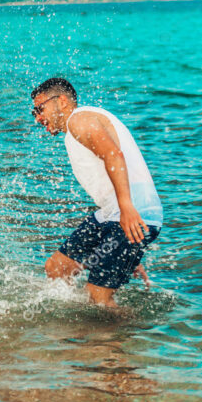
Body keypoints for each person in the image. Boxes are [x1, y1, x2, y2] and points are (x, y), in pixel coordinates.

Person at [31, 78, 163, 307]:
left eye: (40, 109)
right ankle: (74, 327)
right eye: (34, 112)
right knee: (57, 268)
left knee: (97, 297)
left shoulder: (79, 121)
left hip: (133, 214)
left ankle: (128, 336)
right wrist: (127, 251)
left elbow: (115, 156)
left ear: (61, 101)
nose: (37, 118)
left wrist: (127, 211)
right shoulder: (80, 122)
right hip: (113, 215)